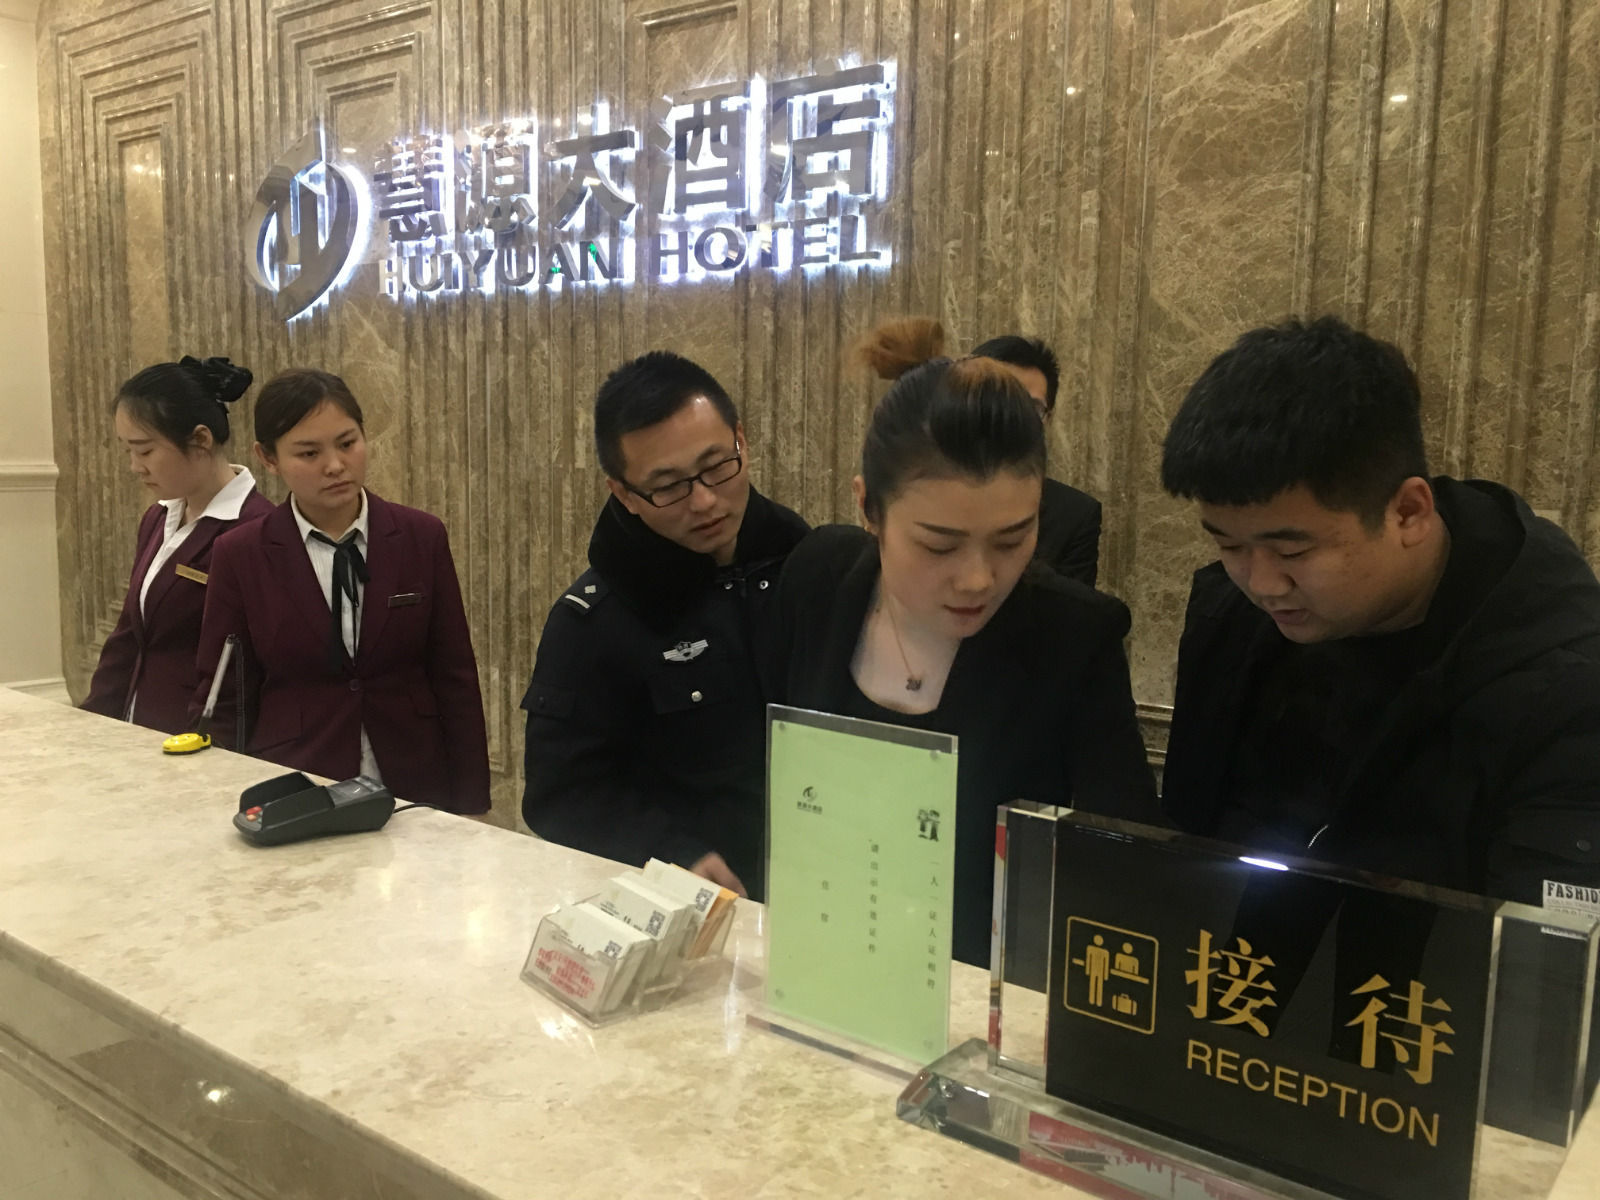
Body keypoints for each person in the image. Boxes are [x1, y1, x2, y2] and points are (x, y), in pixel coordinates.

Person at [1160, 316, 1600, 900]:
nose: (1262, 584)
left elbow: (1545, 946)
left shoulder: (1565, 693)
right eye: (1229, 545)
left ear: (1409, 513)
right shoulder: (1231, 612)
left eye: (1292, 551)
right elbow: (1188, 843)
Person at [767, 341, 1158, 965]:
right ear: (869, 507)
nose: (978, 580)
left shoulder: (1073, 635)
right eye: (939, 546)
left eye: (1012, 539)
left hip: (980, 983)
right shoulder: (819, 577)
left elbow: (1125, 857)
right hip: (822, 947)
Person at [521, 351, 809, 900]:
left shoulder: (807, 565)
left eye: (717, 465)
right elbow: (560, 796)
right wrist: (670, 853)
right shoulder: (593, 622)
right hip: (695, 909)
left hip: (822, 893)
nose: (704, 501)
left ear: (741, 441)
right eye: (669, 486)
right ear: (624, 494)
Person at [192, 369, 490, 814]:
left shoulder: (420, 536)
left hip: (415, 779)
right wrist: (215, 796)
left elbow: (454, 674)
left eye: (347, 443)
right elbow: (224, 689)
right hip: (296, 780)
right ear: (268, 458)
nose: (334, 465)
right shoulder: (241, 553)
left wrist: (471, 802)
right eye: (309, 453)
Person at [83, 356, 272, 734]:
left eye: (145, 451)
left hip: (193, 739)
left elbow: (251, 667)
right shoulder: (159, 517)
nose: (135, 466)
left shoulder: (257, 530)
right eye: (128, 451)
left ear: (201, 439)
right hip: (134, 731)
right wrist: (89, 724)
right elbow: (128, 637)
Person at [855, 319, 1103, 585]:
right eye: (940, 546)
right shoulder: (907, 483)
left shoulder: (1075, 514)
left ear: (1047, 419)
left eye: (1010, 542)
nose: (1007, 416)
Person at [972, 334, 1103, 586]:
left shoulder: (1075, 515)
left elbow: (1071, 606)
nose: (1012, 417)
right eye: (999, 401)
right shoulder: (919, 491)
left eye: (1031, 408)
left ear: (1047, 419)